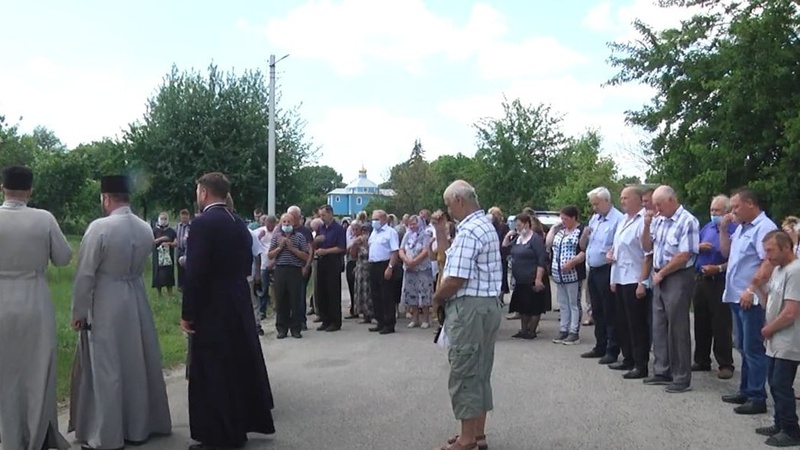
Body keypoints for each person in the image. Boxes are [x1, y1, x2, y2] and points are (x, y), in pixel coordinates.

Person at [69, 175, 172, 449]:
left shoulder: (100, 228)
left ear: (106, 198)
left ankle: (108, 434)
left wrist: (78, 310)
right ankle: (141, 425)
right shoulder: (143, 228)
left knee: (107, 366)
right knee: (136, 362)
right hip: (136, 295)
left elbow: (85, 274)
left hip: (106, 299)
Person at [181, 172, 275, 449]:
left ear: (205, 193)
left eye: (199, 191)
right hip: (237, 301)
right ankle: (237, 427)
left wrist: (188, 312)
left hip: (212, 306)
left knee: (213, 369)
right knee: (236, 366)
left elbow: (195, 273)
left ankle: (218, 434)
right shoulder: (238, 224)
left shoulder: (202, 224)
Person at [0, 165, 72, 450]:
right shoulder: (44, 218)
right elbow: (64, 257)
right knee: (37, 369)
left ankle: (9, 437)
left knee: (5, 371)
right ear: (30, 190)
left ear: (3, 188)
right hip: (34, 298)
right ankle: (37, 434)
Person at [433, 180, 503, 450]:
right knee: (481, 370)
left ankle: (466, 440)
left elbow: (455, 278)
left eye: (449, 205)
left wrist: (437, 298)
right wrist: (440, 232)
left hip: (469, 309)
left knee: (464, 372)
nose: (449, 211)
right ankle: (477, 433)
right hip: (487, 305)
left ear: (459, 201)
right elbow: (448, 257)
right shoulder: (485, 224)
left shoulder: (470, 230)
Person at [641, 185, 700, 393]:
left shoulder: (688, 221)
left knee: (677, 326)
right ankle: (661, 370)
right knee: (658, 324)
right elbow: (647, 247)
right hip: (659, 274)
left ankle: (681, 377)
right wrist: (647, 225)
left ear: (671, 200)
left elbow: (684, 255)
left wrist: (663, 273)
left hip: (677, 275)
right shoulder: (658, 220)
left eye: (658, 204)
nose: (655, 209)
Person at [757, 230, 800, 446]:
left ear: (785, 247)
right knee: (773, 382)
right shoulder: (778, 270)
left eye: (771, 250)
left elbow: (791, 311)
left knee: (781, 384)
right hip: (775, 336)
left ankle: (791, 430)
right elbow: (771, 302)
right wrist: (757, 287)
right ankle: (779, 422)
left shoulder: (796, 271)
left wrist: (769, 329)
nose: (768, 256)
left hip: (789, 338)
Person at [502, 213, 549, 340]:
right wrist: (507, 236)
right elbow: (505, 248)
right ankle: (523, 330)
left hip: (532, 277)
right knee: (522, 306)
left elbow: (541, 259)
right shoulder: (518, 238)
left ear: (527, 224)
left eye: (519, 225)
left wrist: (538, 279)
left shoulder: (535, 239)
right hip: (520, 279)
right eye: (516, 225)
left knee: (534, 306)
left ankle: (532, 331)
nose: (517, 228)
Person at [269, 213, 310, 338]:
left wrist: (292, 249)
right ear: (280, 223)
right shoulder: (276, 237)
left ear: (294, 223)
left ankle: (296, 328)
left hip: (294, 270)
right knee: (281, 300)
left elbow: (306, 256)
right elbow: (270, 255)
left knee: (295, 300)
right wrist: (280, 247)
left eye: (289, 222)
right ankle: (282, 328)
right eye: (284, 222)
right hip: (280, 270)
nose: (286, 224)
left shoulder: (299, 237)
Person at [314, 205, 347, 332]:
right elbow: (315, 243)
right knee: (321, 291)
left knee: (332, 291)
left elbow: (341, 247)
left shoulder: (338, 229)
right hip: (321, 261)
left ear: (330, 214)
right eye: (320, 215)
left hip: (333, 261)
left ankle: (335, 321)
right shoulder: (321, 228)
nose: (322, 218)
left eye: (324, 215)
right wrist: (316, 241)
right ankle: (325, 319)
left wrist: (326, 251)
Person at [152, 211, 177, 297]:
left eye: (165, 219)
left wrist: (169, 244)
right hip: (157, 256)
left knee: (168, 273)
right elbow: (151, 242)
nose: (163, 220)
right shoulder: (154, 230)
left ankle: (169, 293)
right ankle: (159, 294)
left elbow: (175, 243)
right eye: (162, 218)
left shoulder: (171, 231)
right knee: (157, 273)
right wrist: (161, 239)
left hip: (168, 257)